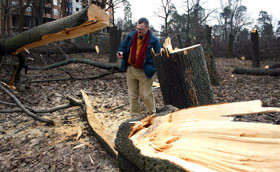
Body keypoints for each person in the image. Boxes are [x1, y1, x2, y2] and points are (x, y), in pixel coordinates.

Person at [117, 17, 161, 116]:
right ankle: (134, 115)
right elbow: (122, 47)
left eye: (141, 29)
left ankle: (151, 113)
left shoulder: (154, 41)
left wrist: (151, 67)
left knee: (145, 94)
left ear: (147, 28)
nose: (138, 31)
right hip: (131, 69)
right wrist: (120, 52)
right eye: (137, 28)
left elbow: (158, 57)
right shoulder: (131, 36)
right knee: (132, 95)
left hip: (145, 71)